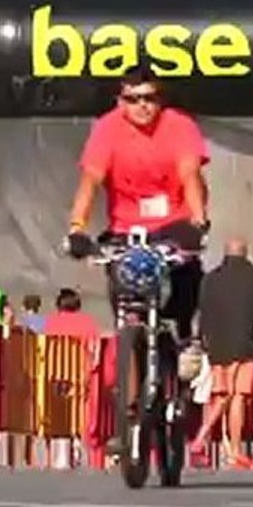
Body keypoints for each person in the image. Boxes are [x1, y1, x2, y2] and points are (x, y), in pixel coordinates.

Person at [65, 63, 210, 452]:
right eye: (133, 100)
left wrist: (197, 221)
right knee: (126, 314)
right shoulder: (107, 129)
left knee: (185, 277)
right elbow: (90, 181)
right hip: (125, 230)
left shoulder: (179, 127)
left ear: (160, 99)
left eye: (150, 98)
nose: (142, 107)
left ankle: (185, 342)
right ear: (120, 100)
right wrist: (77, 228)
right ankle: (130, 416)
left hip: (173, 224)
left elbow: (190, 175)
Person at [190, 237, 253, 470]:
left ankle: (200, 439)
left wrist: (202, 340)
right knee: (238, 396)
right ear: (245, 253)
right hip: (244, 346)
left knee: (222, 395)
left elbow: (202, 311)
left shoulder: (210, 279)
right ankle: (235, 451)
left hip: (217, 347)